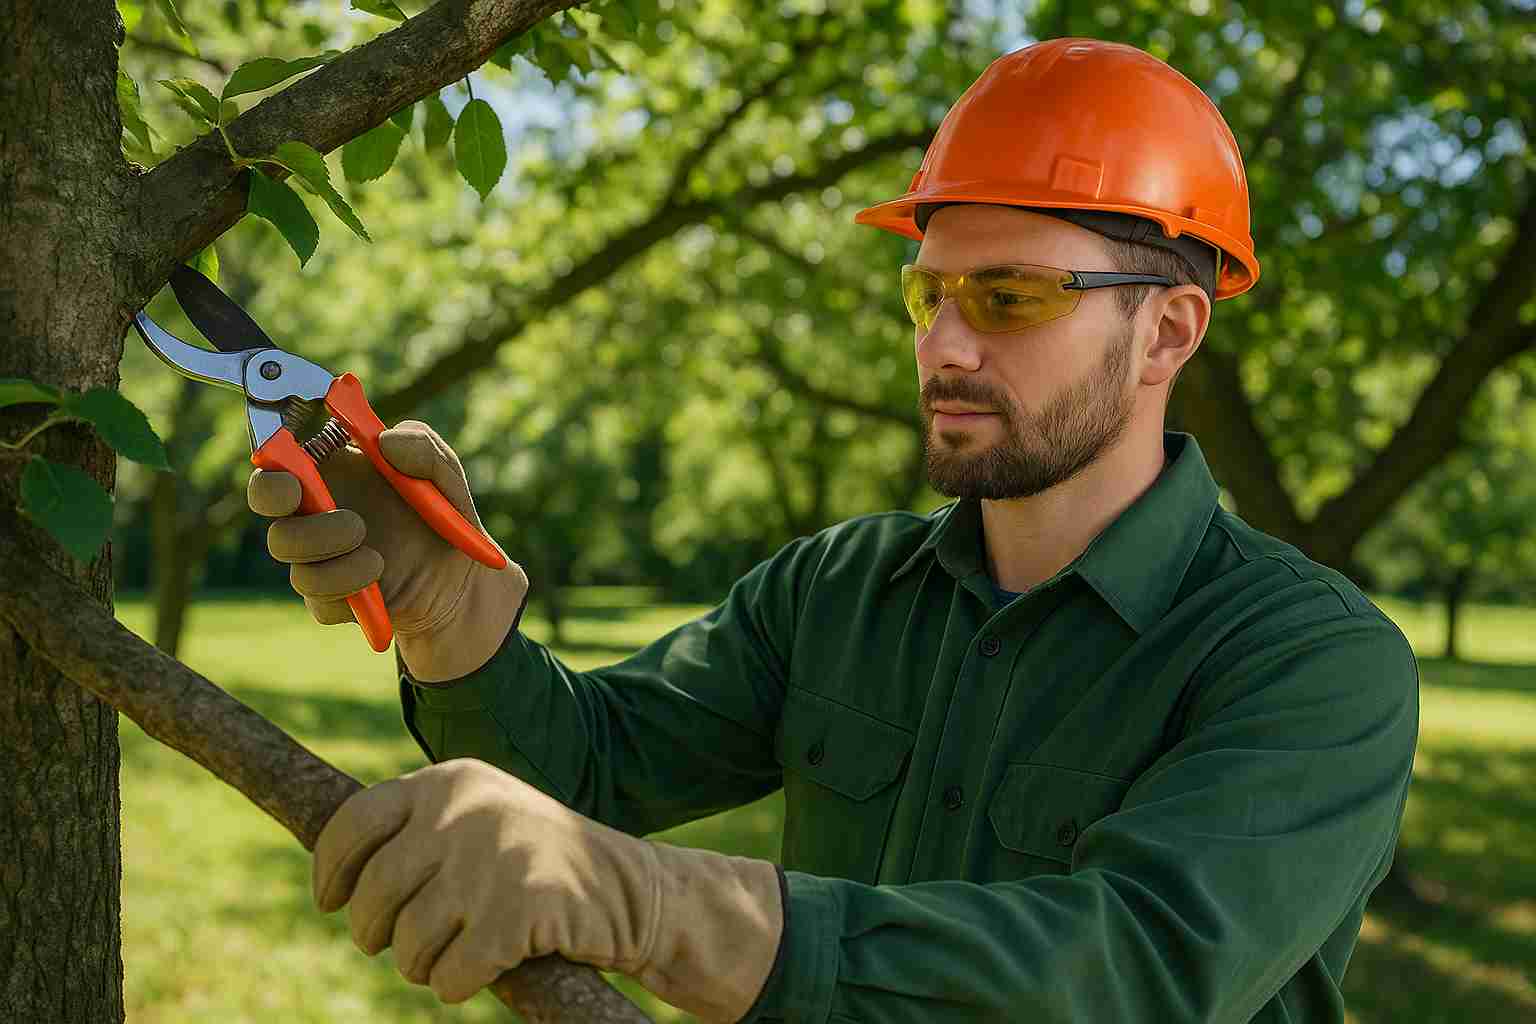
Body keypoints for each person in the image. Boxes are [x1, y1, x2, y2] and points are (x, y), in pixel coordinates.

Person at [249, 38, 1419, 1023]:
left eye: (1008, 298)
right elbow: (584, 775)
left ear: (1168, 331)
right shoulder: (837, 590)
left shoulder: (1314, 663)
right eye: (928, 295)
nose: (943, 348)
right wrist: (452, 621)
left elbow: (1133, 966)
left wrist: (655, 906)